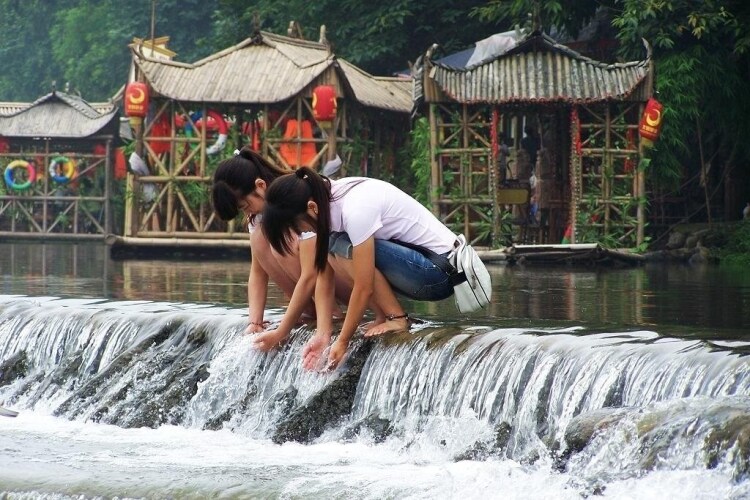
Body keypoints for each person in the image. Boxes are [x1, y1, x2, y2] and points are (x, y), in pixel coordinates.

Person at [261, 167, 459, 371]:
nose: (303, 233)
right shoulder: (327, 201)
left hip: (438, 271)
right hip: (419, 267)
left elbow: (364, 286)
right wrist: (322, 334)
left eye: (299, 228)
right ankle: (383, 315)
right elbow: (323, 275)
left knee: (341, 246)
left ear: (312, 207)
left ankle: (397, 318)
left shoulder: (355, 209)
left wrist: (343, 341)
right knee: (335, 244)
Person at [211, 147, 348, 351]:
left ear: (260, 186)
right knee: (261, 237)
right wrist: (255, 322)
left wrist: (283, 330)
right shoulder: (258, 220)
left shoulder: (294, 200)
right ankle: (309, 310)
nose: (247, 213)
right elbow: (258, 272)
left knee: (278, 243)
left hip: (344, 271)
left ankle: (330, 313)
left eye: (245, 206)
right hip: (321, 276)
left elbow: (312, 273)